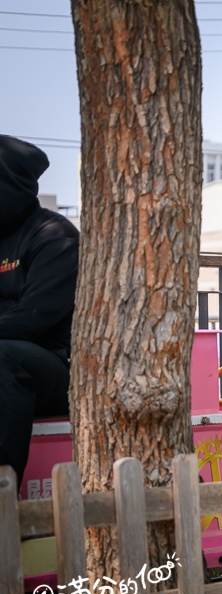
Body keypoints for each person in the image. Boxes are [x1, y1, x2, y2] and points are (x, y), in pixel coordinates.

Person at [0, 135, 80, 490]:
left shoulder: (54, 235)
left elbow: (33, 319)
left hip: (52, 367)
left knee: (5, 356)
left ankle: (3, 491)